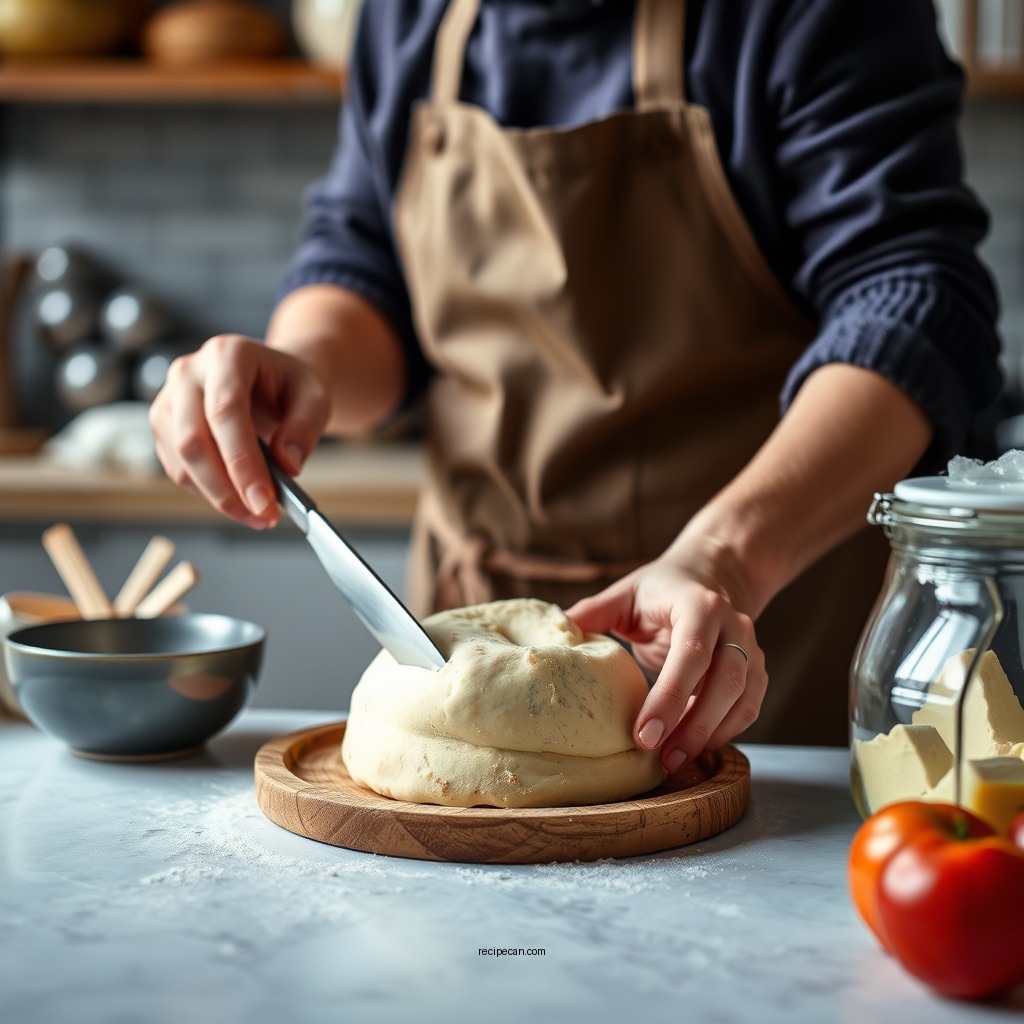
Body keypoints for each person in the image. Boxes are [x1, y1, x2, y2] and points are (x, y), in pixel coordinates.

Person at [149, 0, 1002, 767]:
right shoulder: (406, 17)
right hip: (468, 596)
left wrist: (726, 560)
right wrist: (308, 360)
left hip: (752, 644)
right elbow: (363, 254)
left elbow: (914, 307)